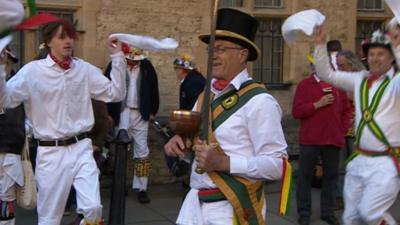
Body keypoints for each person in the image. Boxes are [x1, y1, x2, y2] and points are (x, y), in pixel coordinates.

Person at [164, 8, 288, 225]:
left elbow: (277, 165)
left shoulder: (260, 101)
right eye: (211, 48)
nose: (213, 55)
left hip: (232, 209)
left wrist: (225, 163)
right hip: (194, 204)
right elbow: (196, 140)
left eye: (220, 49)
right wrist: (180, 142)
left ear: (243, 54)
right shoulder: (205, 95)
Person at [0, 19, 127, 225]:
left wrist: (118, 57)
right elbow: (5, 100)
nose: (68, 41)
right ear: (49, 41)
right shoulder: (33, 72)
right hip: (51, 154)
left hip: (82, 147)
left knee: (93, 208)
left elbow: (116, 93)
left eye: (71, 36)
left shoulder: (83, 69)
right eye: (62, 37)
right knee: (50, 218)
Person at [312, 23, 400, 225]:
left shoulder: (396, 83)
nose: (375, 58)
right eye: (372, 54)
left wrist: (398, 46)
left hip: (385, 162)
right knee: (350, 218)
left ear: (391, 57)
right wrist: (320, 45)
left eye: (380, 54)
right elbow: (329, 75)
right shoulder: (359, 79)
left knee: (370, 214)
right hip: (359, 159)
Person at [292, 54, 352, 225]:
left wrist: (342, 128)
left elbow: (346, 110)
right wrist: (317, 104)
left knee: (331, 177)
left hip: (333, 138)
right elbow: (297, 112)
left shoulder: (337, 85)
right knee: (305, 176)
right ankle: (304, 212)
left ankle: (328, 211)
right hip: (310, 139)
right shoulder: (305, 85)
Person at [106, 43, 160, 204]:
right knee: (121, 149)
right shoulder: (115, 65)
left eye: (136, 60)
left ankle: (141, 188)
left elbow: (153, 89)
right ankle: (119, 185)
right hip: (122, 112)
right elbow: (106, 87)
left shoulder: (147, 67)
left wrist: (152, 111)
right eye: (131, 60)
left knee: (142, 151)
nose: (133, 63)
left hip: (140, 113)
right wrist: (108, 114)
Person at [334, 49, 366, 210]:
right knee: (339, 167)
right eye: (338, 65)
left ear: (352, 64)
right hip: (340, 129)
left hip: (357, 130)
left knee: (358, 166)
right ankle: (339, 198)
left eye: (342, 65)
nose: (339, 68)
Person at [0, 47, 24, 225]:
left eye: (8, 63)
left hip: (11, 151)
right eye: (3, 63)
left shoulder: (17, 87)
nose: (6, 67)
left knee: (6, 199)